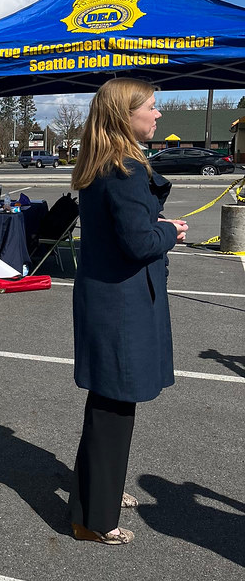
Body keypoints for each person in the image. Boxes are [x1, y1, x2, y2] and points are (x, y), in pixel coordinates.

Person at [68, 78, 188, 545]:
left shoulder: (107, 163)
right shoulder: (125, 169)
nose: (158, 116)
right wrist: (171, 231)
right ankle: (94, 519)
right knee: (114, 403)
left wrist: (153, 225)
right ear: (126, 115)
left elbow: (127, 227)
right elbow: (139, 242)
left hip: (110, 296)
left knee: (111, 401)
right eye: (152, 108)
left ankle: (102, 490)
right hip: (120, 302)